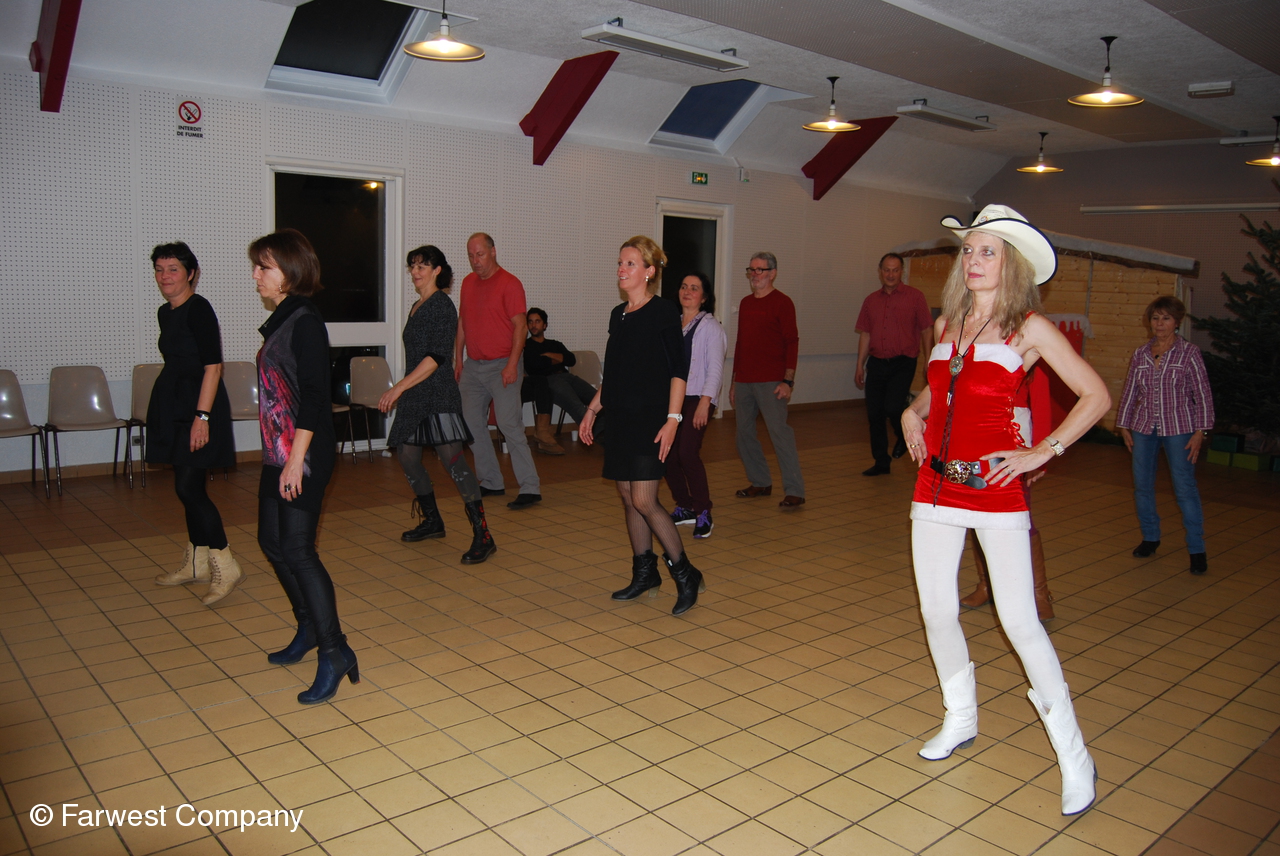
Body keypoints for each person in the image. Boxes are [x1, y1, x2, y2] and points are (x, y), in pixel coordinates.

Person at [901, 204, 1110, 816]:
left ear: (1010, 264)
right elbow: (941, 389)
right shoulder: (947, 323)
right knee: (937, 610)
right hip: (935, 485)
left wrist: (1042, 450)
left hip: (995, 486)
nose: (974, 260)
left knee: (1019, 621)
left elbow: (1096, 395)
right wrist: (912, 411)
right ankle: (960, 716)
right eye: (969, 250)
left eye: (987, 251)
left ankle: (1074, 755)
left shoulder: (1029, 329)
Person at [251, 228, 358, 705]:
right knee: (271, 541)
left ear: (290, 272)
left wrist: (295, 460)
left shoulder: (305, 321)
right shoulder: (283, 318)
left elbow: (315, 398)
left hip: (303, 452)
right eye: (256, 267)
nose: (256, 275)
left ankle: (334, 650)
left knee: (297, 548)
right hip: (279, 451)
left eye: (264, 267)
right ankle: (309, 627)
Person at [580, 236, 705, 616]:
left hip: (651, 418)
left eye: (631, 263)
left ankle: (685, 574)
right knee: (626, 495)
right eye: (621, 262)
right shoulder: (618, 314)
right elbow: (617, 373)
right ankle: (645, 573)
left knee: (644, 499)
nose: (622, 269)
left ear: (649, 271)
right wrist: (592, 409)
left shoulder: (663, 311)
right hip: (620, 418)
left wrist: (673, 420)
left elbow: (678, 371)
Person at [380, 246, 495, 564]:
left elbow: (436, 357)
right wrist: (405, 388)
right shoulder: (416, 306)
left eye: (422, 266)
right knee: (407, 456)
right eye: (412, 266)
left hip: (438, 394)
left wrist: (398, 387)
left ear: (437, 271)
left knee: (453, 462)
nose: (416, 272)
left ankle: (483, 535)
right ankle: (433, 521)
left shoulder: (442, 305)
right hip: (416, 394)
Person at [146, 242, 242, 605]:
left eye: (173, 269)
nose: (165, 276)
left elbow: (213, 367)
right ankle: (197, 562)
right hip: (172, 402)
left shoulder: (199, 309)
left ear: (191, 274)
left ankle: (225, 563)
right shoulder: (165, 312)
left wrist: (201, 418)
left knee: (189, 488)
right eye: (159, 269)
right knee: (185, 485)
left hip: (199, 405)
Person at [1116, 296, 1214, 575]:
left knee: (1184, 487)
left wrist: (1201, 431)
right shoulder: (1141, 354)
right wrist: (1123, 425)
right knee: (1142, 486)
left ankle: (1196, 549)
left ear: (1177, 322)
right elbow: (1130, 391)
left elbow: (1203, 394)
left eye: (1166, 318)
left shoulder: (1189, 353)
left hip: (1180, 428)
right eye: (1156, 318)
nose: (1160, 324)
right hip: (1143, 427)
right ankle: (1150, 537)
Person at [455, 233, 541, 509]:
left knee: (508, 424)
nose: (475, 261)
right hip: (473, 366)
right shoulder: (468, 283)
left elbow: (521, 326)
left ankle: (530, 487)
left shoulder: (509, 283)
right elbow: (462, 323)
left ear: (493, 252)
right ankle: (491, 481)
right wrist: (458, 359)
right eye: (471, 256)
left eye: (480, 254)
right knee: (470, 424)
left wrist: (512, 364)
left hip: (503, 363)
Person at [960, 368, 1055, 620]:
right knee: (977, 514)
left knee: (1022, 518)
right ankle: (986, 585)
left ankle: (1039, 593)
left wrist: (1039, 458)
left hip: (1017, 440)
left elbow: (1042, 406)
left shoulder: (1034, 350)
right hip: (978, 435)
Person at [731, 252, 805, 509]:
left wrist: (788, 381)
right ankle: (760, 481)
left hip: (772, 382)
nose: (754, 275)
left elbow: (792, 342)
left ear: (772, 273)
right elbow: (740, 344)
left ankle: (795, 491)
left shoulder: (783, 303)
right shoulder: (746, 303)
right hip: (745, 380)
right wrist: (734, 380)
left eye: (760, 270)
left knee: (779, 435)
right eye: (751, 270)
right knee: (743, 435)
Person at [855, 253, 933, 476]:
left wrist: (929, 360)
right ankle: (881, 462)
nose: (891, 274)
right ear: (880, 272)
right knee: (875, 414)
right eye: (887, 270)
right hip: (877, 363)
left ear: (902, 272)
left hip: (903, 362)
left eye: (895, 270)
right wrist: (860, 365)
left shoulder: (915, 297)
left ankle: (903, 434)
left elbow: (926, 330)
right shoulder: (871, 300)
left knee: (893, 407)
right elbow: (866, 334)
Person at [665, 273, 727, 539]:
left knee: (687, 453)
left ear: (704, 297)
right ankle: (685, 506)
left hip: (698, 398)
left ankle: (703, 511)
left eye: (694, 288)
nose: (687, 291)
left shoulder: (711, 327)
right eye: (683, 286)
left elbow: (715, 369)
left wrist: (705, 402)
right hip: (673, 399)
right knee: (667, 455)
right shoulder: (673, 324)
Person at [521, 307, 598, 456]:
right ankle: (599, 433)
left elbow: (571, 359)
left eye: (537, 321)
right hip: (549, 381)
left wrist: (548, 355)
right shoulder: (527, 346)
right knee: (576, 405)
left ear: (545, 325)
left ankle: (615, 427)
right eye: (530, 322)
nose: (533, 325)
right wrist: (558, 358)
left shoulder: (554, 344)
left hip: (567, 377)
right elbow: (534, 366)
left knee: (596, 398)